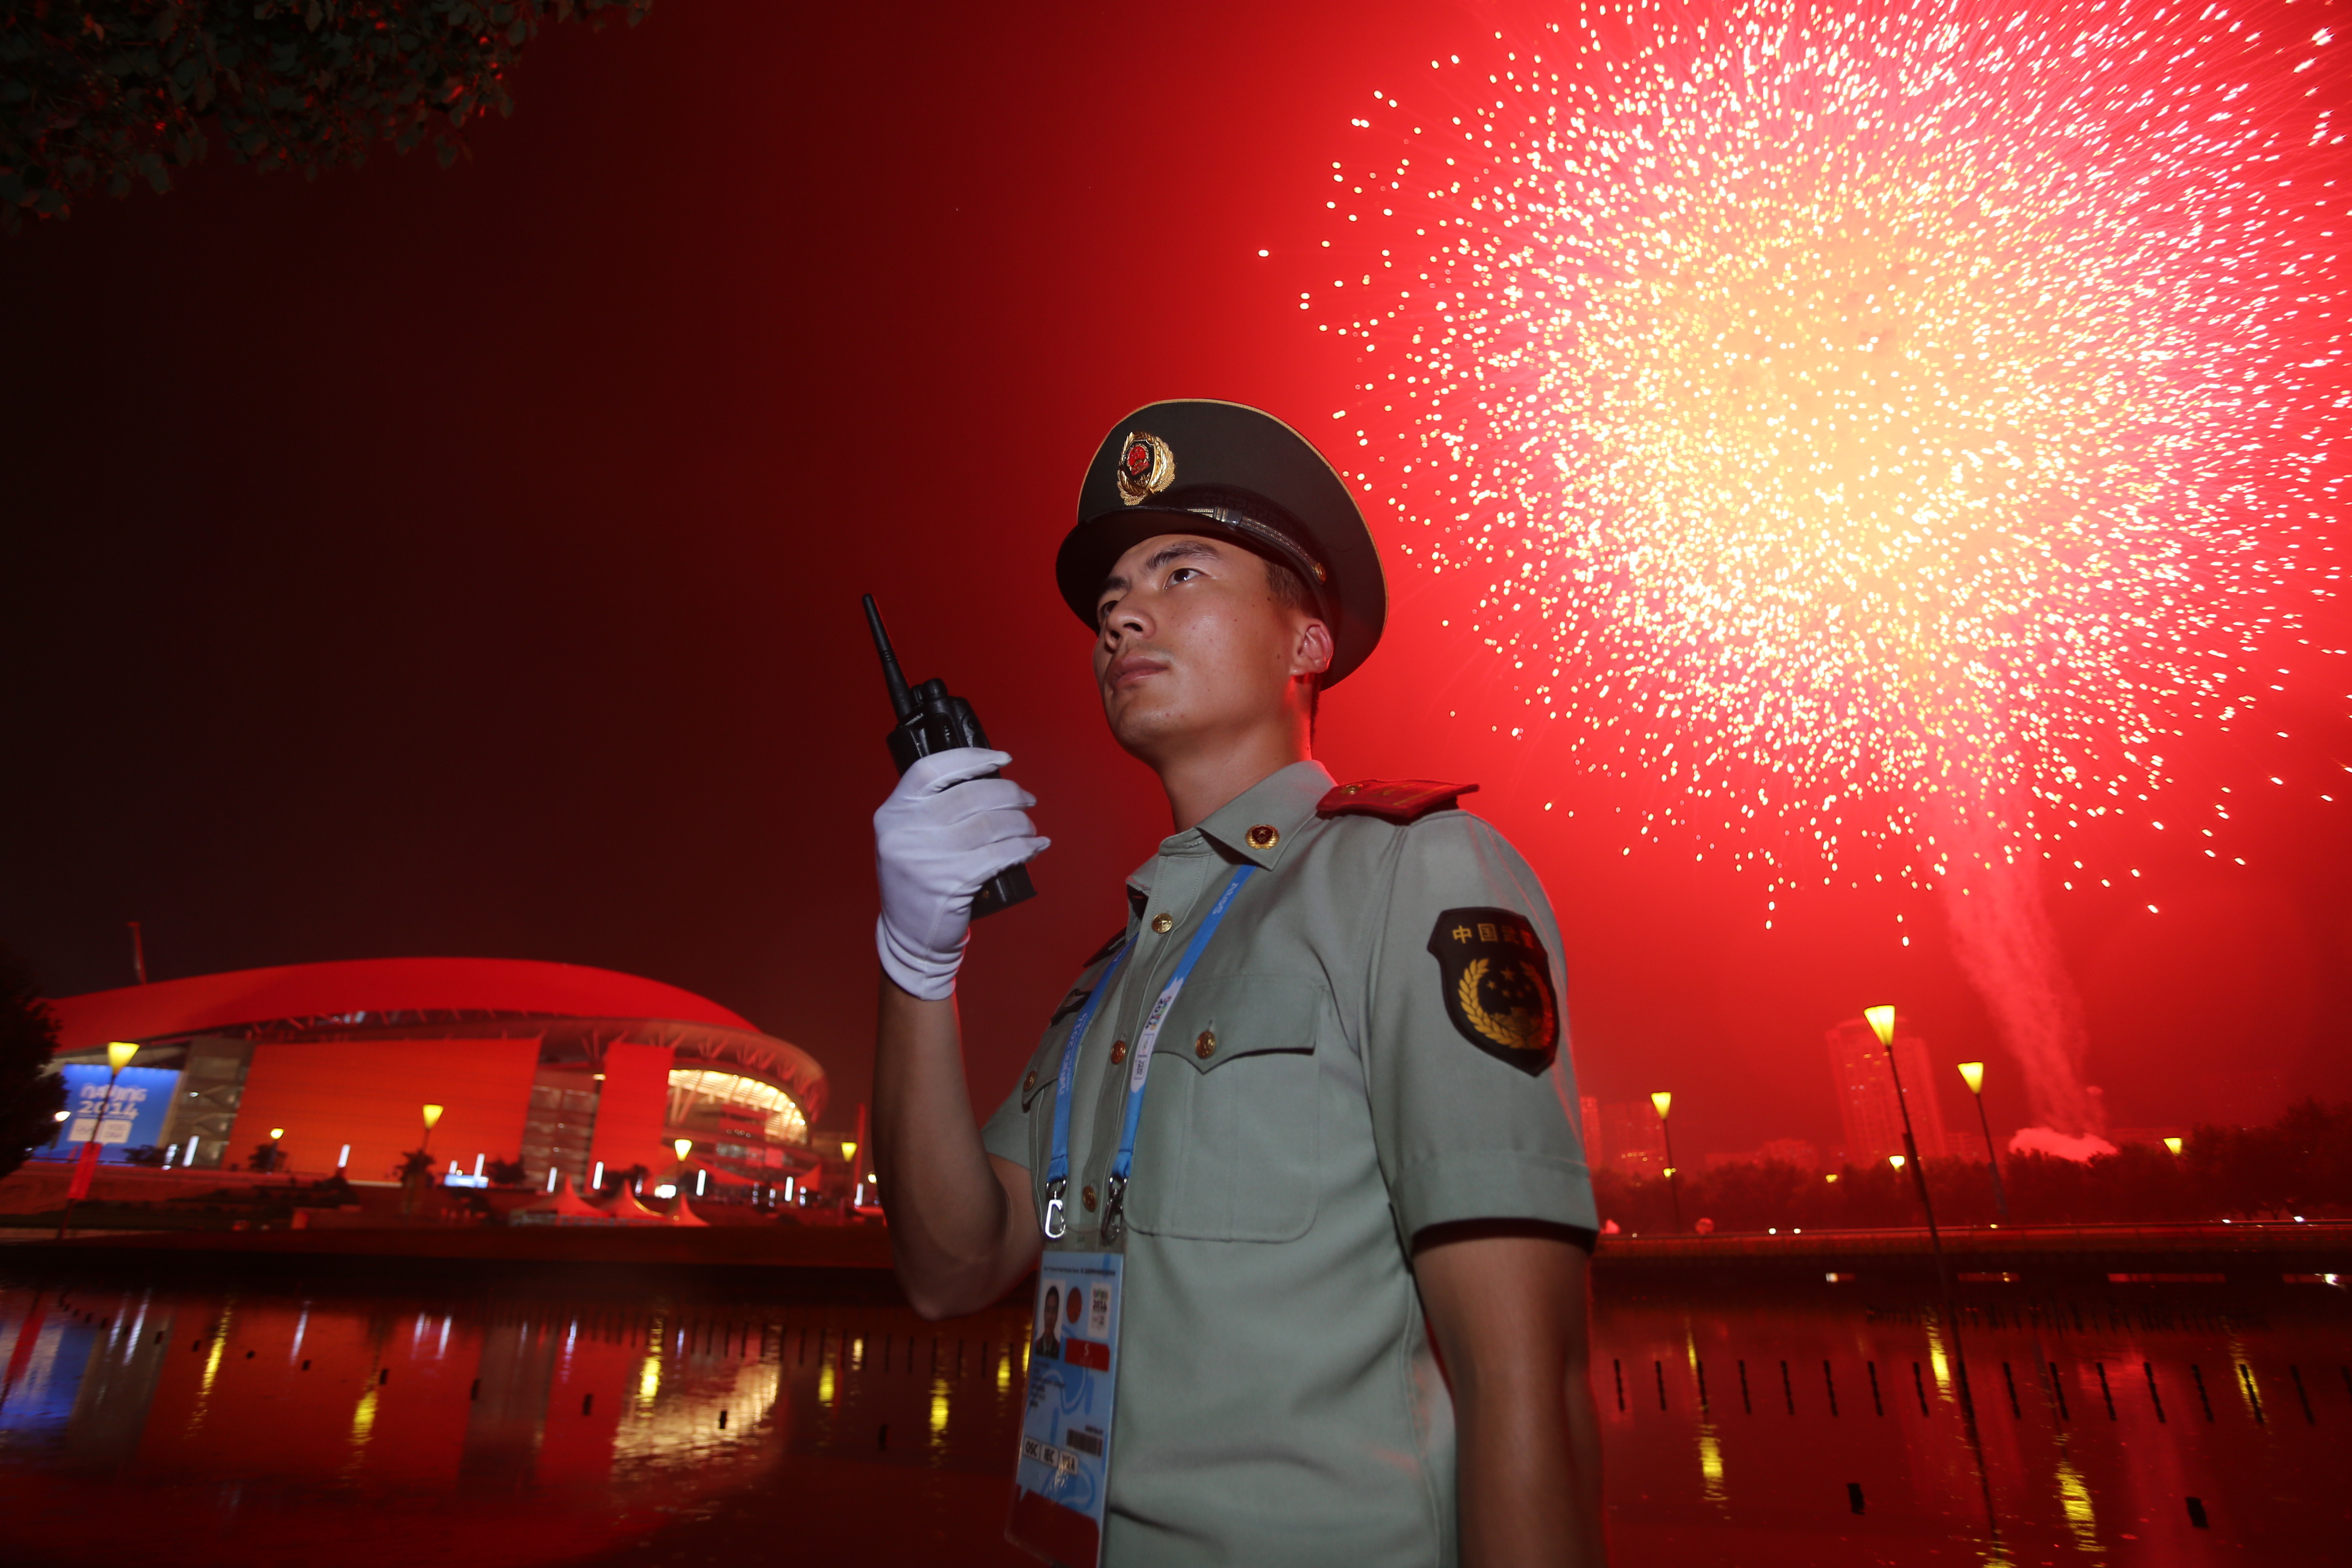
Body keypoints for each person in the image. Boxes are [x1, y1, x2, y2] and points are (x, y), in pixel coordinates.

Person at [872, 399, 1605, 1566]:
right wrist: (916, 961)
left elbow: (1528, 1385)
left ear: (1304, 645)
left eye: (1179, 569)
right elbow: (952, 1267)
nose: (1121, 610)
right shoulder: (1116, 976)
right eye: (1112, 594)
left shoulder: (1411, 874)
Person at [1034, 1283, 1063, 1360]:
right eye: (1048, 1310)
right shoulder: (1034, 1347)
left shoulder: (1061, 1350)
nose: (1050, 1317)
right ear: (1044, 1313)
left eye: (1054, 1311)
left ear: (1057, 1315)